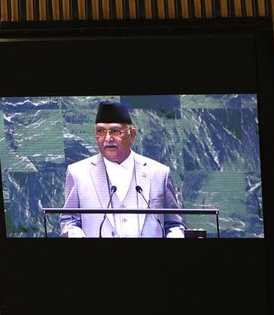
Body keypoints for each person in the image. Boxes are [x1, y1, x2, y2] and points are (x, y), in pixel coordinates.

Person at [59, 100, 184, 239]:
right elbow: (69, 221)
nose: (107, 138)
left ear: (132, 134)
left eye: (115, 131)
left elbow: (174, 224)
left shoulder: (159, 173)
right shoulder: (78, 173)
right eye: (100, 131)